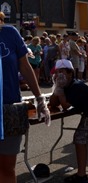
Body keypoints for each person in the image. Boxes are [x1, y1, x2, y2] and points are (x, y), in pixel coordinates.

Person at [0, 13, 50, 183]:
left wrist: (40, 98)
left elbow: (25, 66)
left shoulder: (9, 33)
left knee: (6, 167)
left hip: (8, 112)